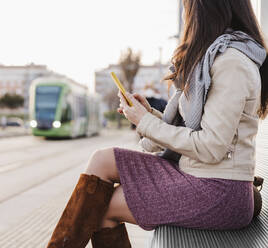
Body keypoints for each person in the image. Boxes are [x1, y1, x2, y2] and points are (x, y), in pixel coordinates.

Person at [46, 0, 268, 247]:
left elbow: (211, 146)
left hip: (219, 191)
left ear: (205, 11)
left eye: (188, 8)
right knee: (102, 160)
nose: (187, 18)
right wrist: (148, 114)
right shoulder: (213, 58)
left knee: (100, 207)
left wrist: (145, 123)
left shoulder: (231, 62)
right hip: (200, 174)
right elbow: (191, 126)